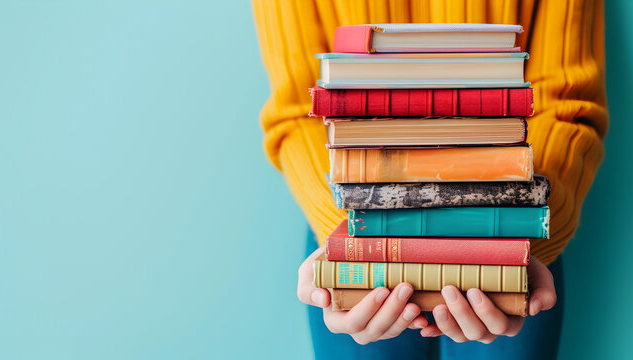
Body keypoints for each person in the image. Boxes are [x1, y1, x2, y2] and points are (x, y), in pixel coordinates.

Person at [253, 1, 608, 359]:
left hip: (512, 232)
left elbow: (566, 102)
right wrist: (353, 238)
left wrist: (517, 241)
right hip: (353, 223)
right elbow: (299, 109)